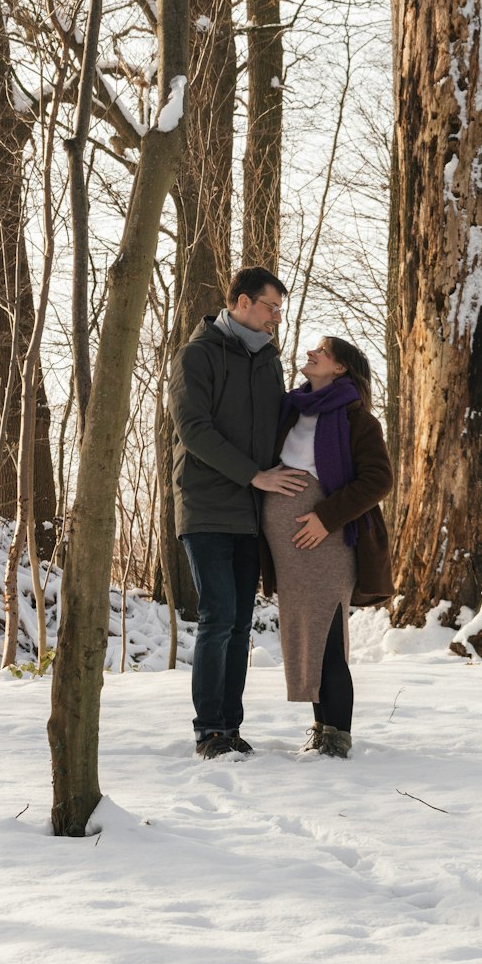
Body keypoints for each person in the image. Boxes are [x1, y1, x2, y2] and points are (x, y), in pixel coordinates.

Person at [170, 267, 307, 758]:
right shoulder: (197, 355)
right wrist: (256, 475)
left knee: (242, 621)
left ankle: (230, 727)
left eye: (279, 311)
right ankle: (209, 731)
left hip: (254, 513)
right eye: (271, 308)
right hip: (206, 507)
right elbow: (194, 430)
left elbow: (281, 426)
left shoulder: (268, 361)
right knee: (218, 616)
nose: (275, 320)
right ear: (243, 303)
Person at [259, 336, 393, 759]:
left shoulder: (358, 422)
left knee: (328, 637)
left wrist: (324, 518)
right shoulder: (289, 409)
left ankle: (337, 737)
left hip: (327, 542)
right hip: (289, 549)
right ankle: (321, 727)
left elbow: (378, 481)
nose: (312, 354)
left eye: (324, 352)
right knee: (307, 636)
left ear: (340, 369)